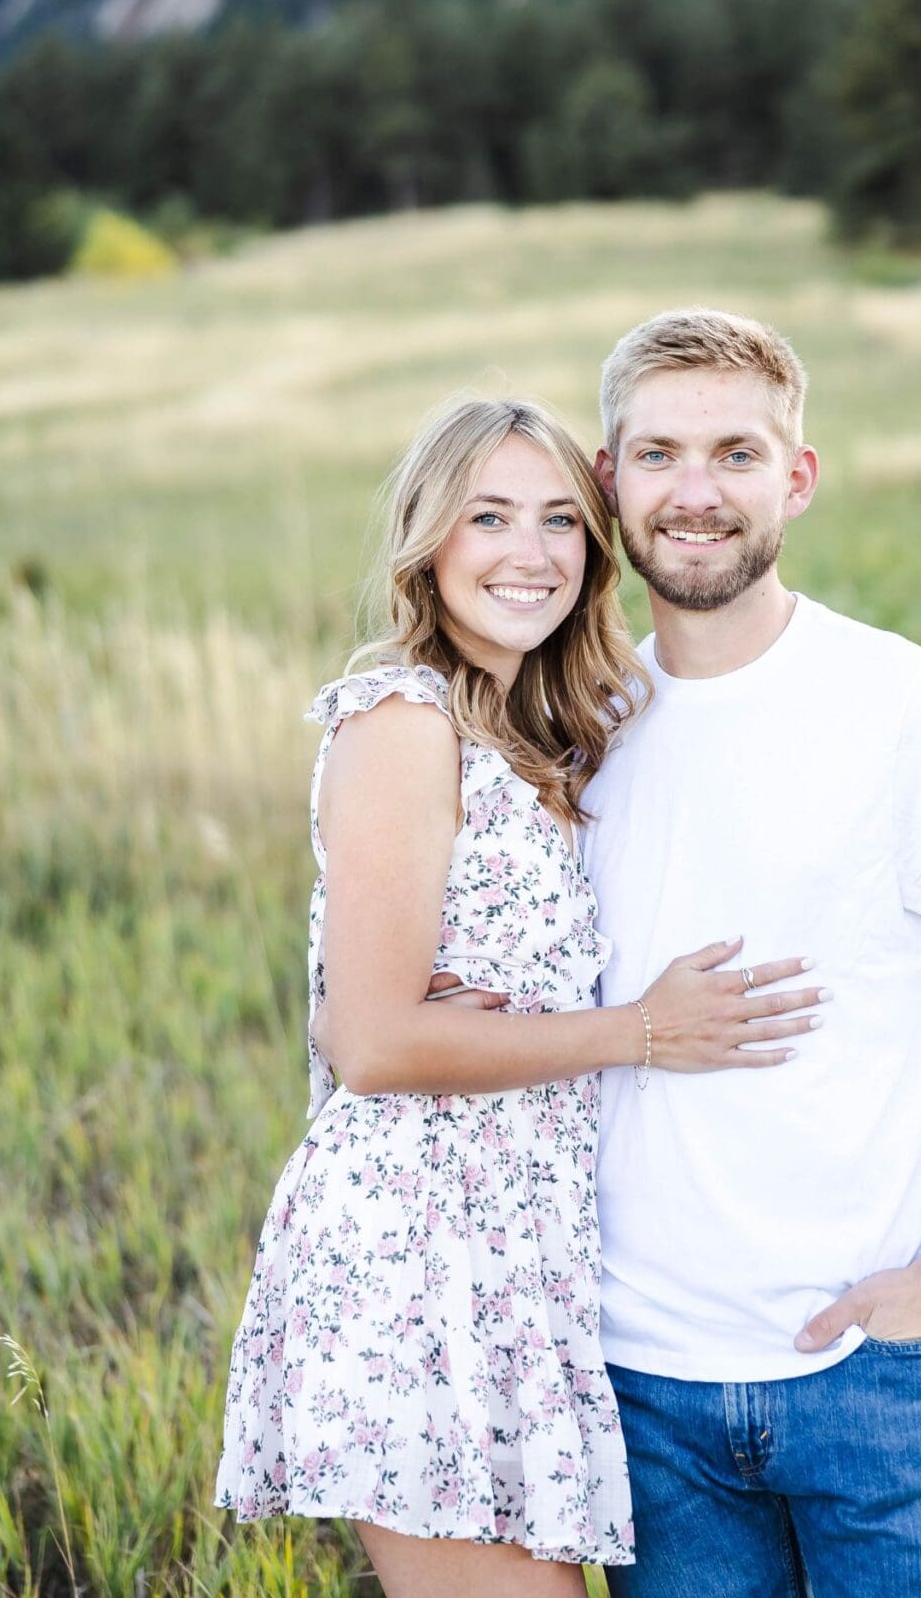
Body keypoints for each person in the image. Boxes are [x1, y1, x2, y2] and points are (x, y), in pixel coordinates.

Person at [217, 397, 827, 1593]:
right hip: (415, 1254)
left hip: (519, 1262)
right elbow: (376, 1041)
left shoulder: (534, 733)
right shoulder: (401, 718)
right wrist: (643, 1030)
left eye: (558, 519)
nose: (528, 551)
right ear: (429, 540)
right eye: (487, 516)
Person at [584, 309, 921, 1597]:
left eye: (736, 452)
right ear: (608, 481)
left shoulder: (912, 708)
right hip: (640, 1386)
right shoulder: (579, 724)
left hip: (875, 1382)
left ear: (798, 476)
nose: (696, 491)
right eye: (656, 454)